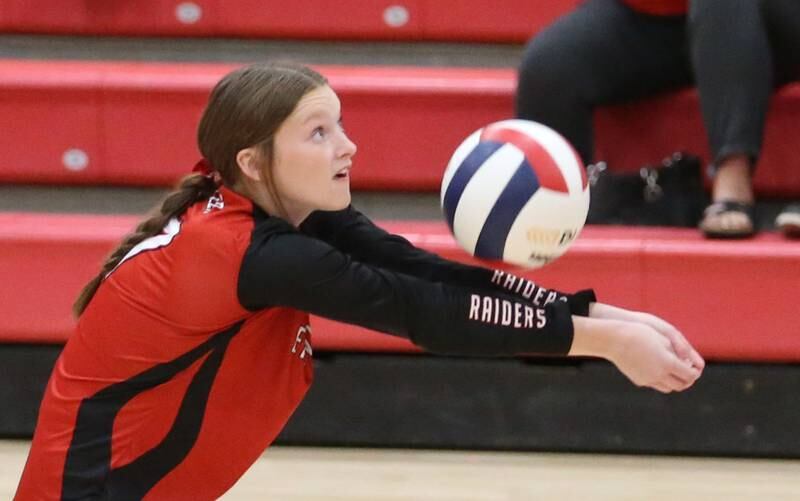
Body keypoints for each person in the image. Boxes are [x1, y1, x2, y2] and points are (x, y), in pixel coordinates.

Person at [15, 62, 704, 500]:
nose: (347, 147)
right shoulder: (239, 251)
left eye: (339, 125)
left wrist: (606, 317)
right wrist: (599, 341)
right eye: (318, 133)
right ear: (255, 161)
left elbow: (423, 272)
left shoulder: (291, 216)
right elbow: (421, 312)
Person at [516, 0, 800, 238]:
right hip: (659, 18)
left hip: (769, 16)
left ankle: (733, 186)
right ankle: (557, 208)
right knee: (551, 66)